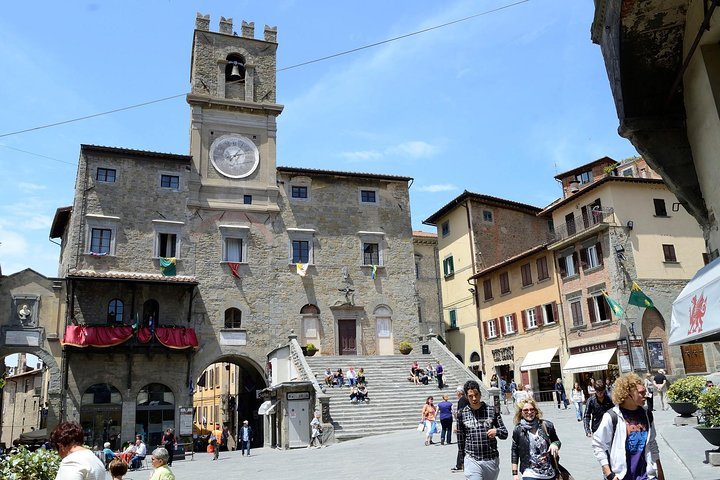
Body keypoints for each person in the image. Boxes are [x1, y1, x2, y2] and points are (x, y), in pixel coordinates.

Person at [592, 373, 665, 480]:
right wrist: (609, 474)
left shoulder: (647, 414)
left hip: (647, 476)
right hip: (622, 476)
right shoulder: (612, 416)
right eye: (641, 393)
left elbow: (652, 443)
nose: (646, 395)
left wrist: (660, 472)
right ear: (627, 394)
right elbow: (598, 445)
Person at [456, 380, 508, 480]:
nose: (474, 398)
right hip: (472, 459)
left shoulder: (492, 410)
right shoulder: (461, 414)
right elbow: (460, 439)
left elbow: (505, 433)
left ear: (480, 394)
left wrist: (496, 431)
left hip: (491, 458)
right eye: (470, 396)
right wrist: (462, 460)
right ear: (466, 397)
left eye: (476, 395)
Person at [511, 398, 561, 480]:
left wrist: (555, 444)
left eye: (531, 409)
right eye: (526, 410)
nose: (529, 412)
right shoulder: (518, 430)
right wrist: (515, 474)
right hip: (529, 473)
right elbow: (514, 451)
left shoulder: (547, 425)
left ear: (536, 411)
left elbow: (557, 441)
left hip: (549, 472)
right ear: (521, 413)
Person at [451, 385, 469, 473]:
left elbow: (461, 414)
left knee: (461, 446)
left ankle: (461, 464)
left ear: (459, 392)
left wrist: (457, 424)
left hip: (462, 426)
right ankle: (460, 464)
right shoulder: (465, 399)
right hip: (465, 425)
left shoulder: (462, 400)